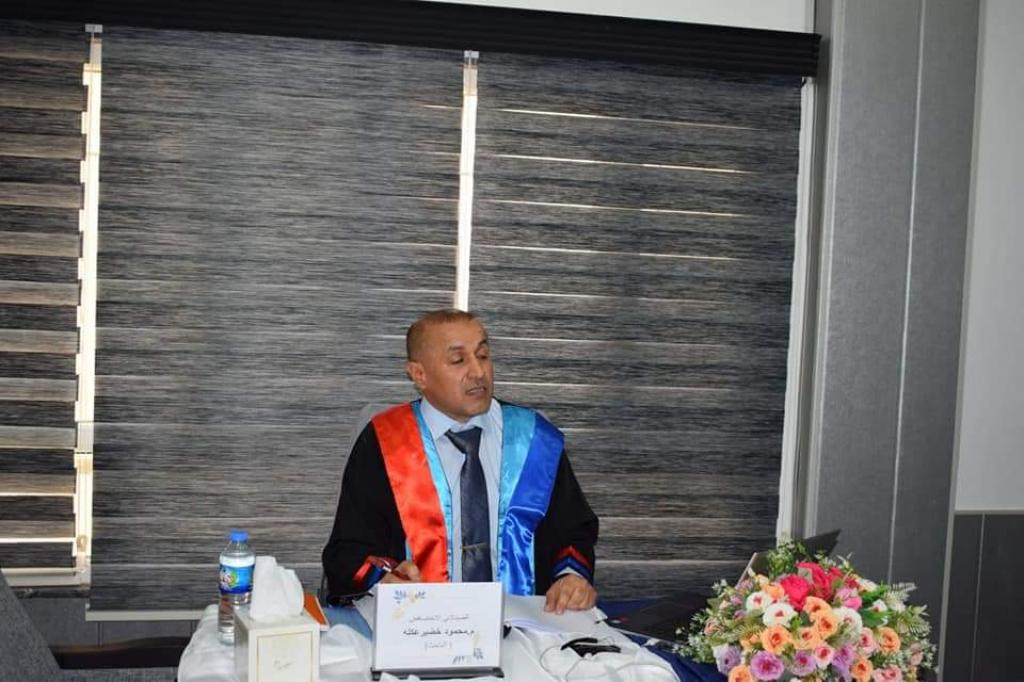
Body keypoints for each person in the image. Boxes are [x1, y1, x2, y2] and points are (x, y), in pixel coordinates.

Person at [322, 309, 599, 613]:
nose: (478, 372)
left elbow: (572, 531)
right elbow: (348, 551)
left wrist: (571, 577)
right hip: (419, 623)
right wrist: (386, 577)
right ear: (419, 375)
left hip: (524, 624)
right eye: (458, 360)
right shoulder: (385, 441)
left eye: (483, 355)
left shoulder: (533, 439)